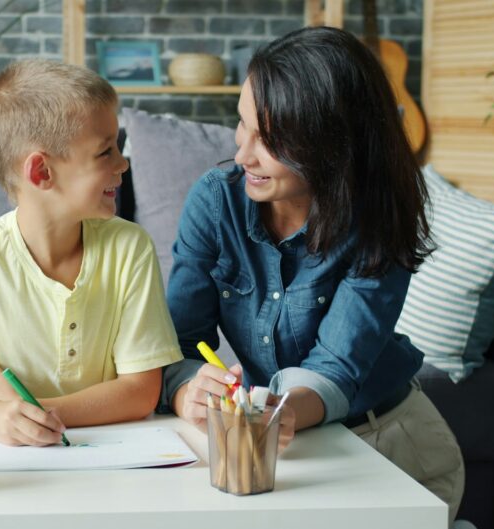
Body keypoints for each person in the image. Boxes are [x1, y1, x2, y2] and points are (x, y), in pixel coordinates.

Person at [160, 27, 465, 521]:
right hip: (282, 443)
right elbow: (179, 341)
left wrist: (279, 411)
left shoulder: (376, 217)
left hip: (387, 441)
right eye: (242, 126)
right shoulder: (217, 200)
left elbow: (336, 369)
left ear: (333, 145)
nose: (242, 155)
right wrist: (186, 390)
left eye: (271, 140)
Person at [0, 59, 183, 447]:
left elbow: (141, 391)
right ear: (42, 173)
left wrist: (36, 413)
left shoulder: (129, 248)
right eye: (106, 152)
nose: (123, 163)